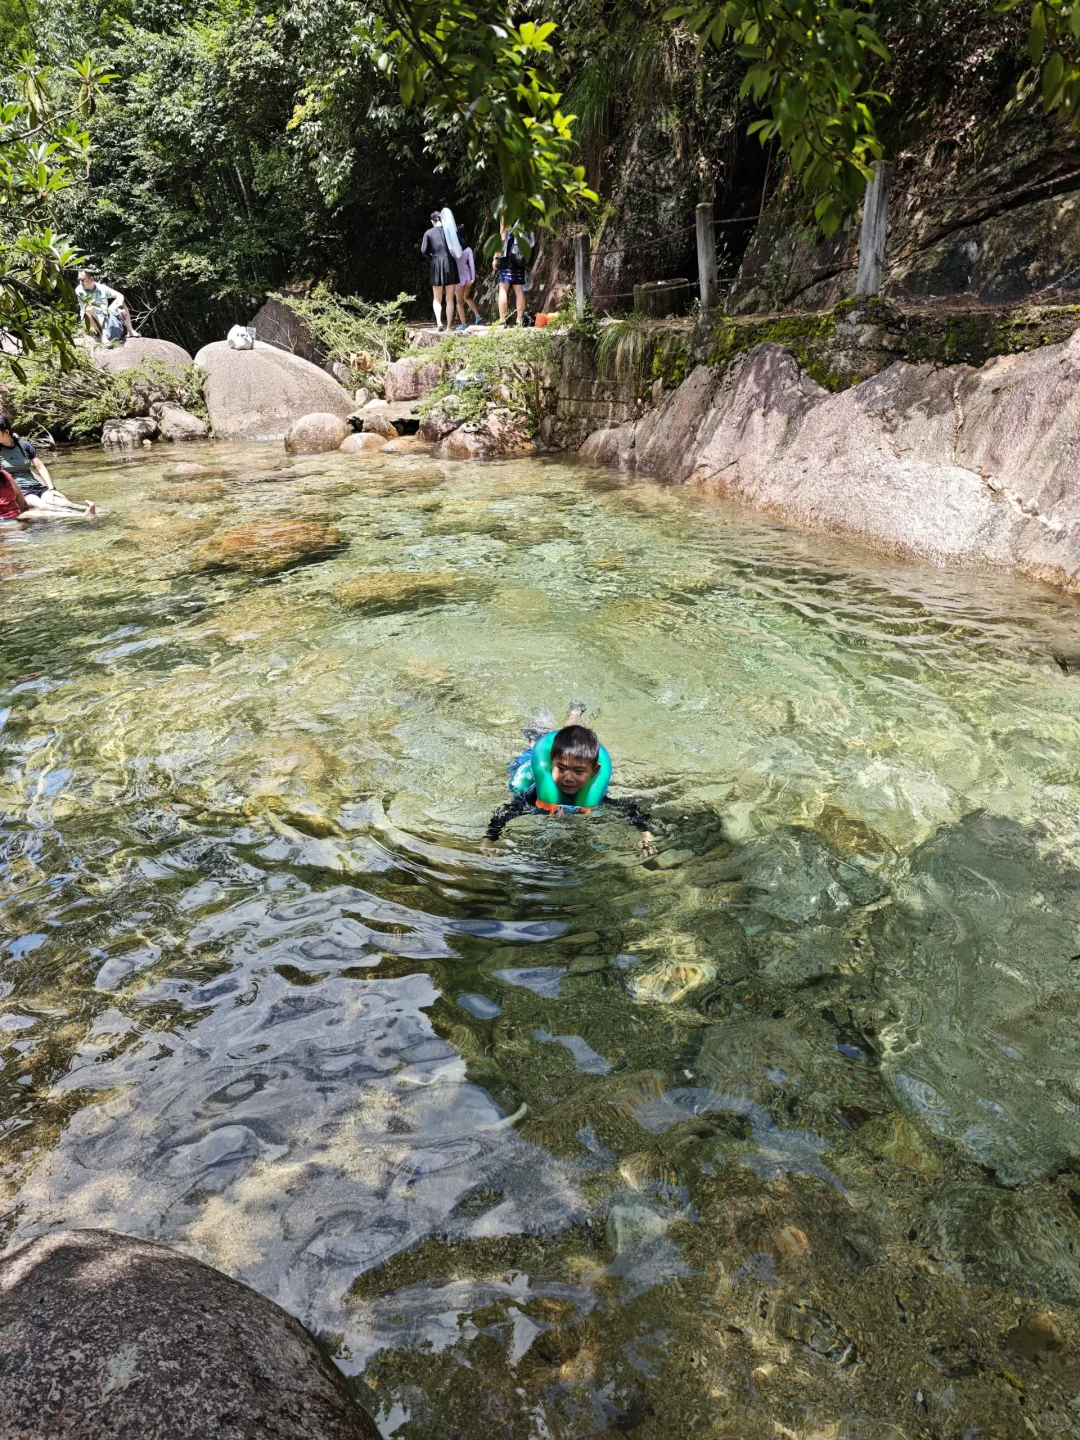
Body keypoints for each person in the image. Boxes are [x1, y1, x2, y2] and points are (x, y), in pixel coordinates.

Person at [483, 703, 656, 853]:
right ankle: (543, 733)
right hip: (530, 764)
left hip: (567, 755)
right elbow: (507, 811)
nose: (568, 778)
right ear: (551, 765)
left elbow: (630, 809)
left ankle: (574, 715)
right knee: (534, 745)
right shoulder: (536, 791)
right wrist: (489, 839)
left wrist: (645, 833)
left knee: (568, 739)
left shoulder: (596, 794)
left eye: (579, 772)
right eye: (561, 769)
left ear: (594, 771)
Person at [0, 419, 96, 517]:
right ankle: (81, 515)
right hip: (21, 491)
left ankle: (100, 511)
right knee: (44, 506)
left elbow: (40, 467)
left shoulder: (24, 445)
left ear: (6, 432)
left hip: (36, 486)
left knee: (65, 503)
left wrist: (51, 488)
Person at [74, 268, 137, 344]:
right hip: (91, 320)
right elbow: (88, 305)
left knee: (120, 302)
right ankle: (103, 337)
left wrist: (120, 307)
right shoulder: (79, 290)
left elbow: (119, 295)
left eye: (82, 280)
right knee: (88, 308)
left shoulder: (101, 288)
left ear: (91, 279)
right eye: (79, 280)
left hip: (105, 316)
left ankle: (130, 331)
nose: (80, 282)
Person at [420, 212, 459, 332]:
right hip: (450, 263)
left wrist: (432, 256)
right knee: (449, 299)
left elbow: (424, 250)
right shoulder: (450, 231)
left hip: (436, 263)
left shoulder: (429, 232)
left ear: (432, 221)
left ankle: (439, 323)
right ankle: (448, 327)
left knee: (437, 298)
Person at [491, 217, 531, 326]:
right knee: (519, 289)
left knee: (503, 288)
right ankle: (519, 320)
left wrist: (496, 257)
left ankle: (503, 320)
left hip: (507, 256)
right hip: (519, 255)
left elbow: (503, 237)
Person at [453, 228, 482, 329]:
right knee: (466, 297)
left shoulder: (454, 250)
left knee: (459, 302)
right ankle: (477, 316)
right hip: (468, 276)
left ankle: (464, 324)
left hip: (459, 278)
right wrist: (473, 278)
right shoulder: (468, 249)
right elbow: (472, 265)